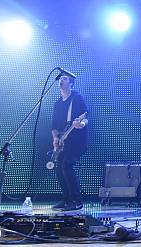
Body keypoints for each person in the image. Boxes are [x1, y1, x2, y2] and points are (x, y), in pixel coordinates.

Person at [51, 73, 88, 211]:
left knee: (67, 166)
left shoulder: (76, 98)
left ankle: (77, 200)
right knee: (59, 168)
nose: (61, 80)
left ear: (71, 83)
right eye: (60, 78)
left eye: (65, 78)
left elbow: (86, 116)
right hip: (63, 141)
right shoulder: (57, 104)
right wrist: (55, 138)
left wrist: (81, 124)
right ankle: (66, 199)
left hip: (77, 139)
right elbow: (54, 126)